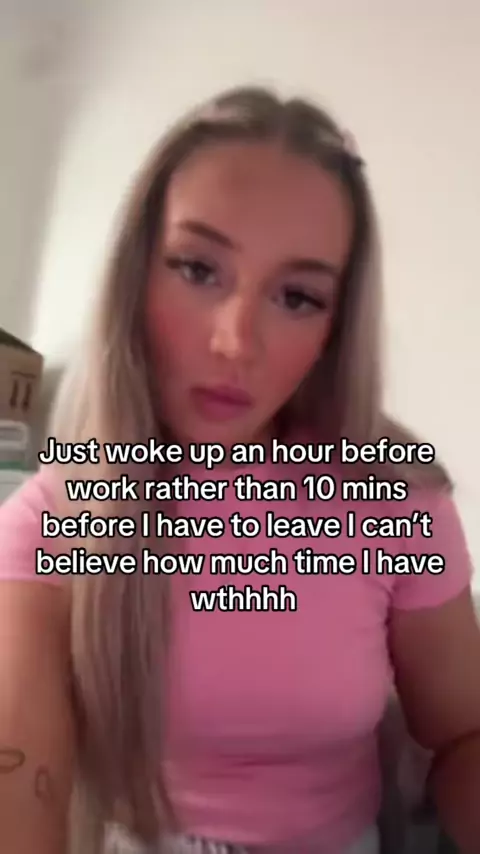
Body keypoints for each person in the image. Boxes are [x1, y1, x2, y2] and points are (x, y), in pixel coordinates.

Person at [0, 86, 479, 854]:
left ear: (334, 328)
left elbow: (462, 733)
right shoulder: (50, 521)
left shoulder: (398, 504)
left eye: (297, 297)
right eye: (197, 269)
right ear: (135, 278)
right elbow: (24, 783)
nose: (235, 342)